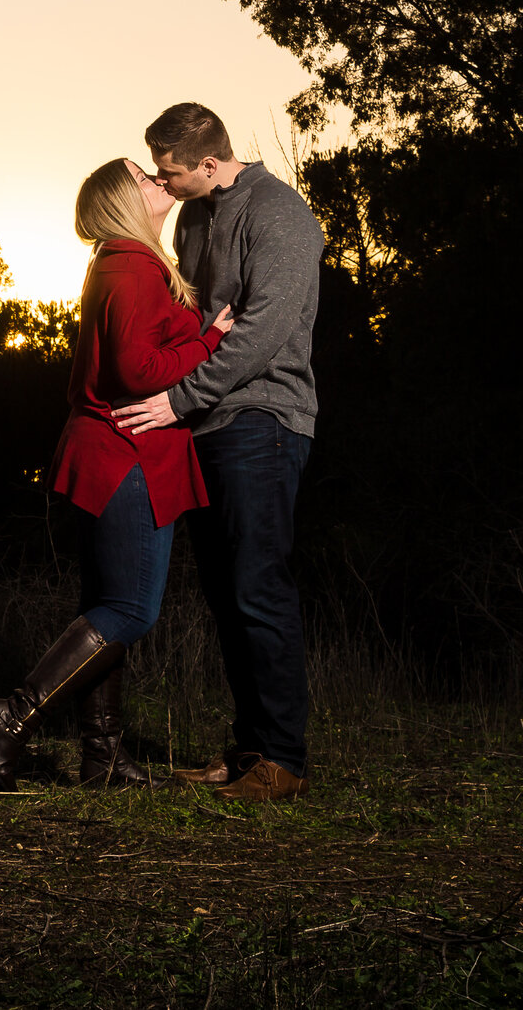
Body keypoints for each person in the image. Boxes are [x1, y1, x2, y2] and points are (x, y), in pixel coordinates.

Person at [0, 158, 232, 787]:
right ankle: (12, 716)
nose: (158, 181)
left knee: (105, 607)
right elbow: (137, 370)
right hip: (127, 455)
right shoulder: (133, 264)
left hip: (108, 452)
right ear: (125, 200)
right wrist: (209, 340)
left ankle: (103, 756)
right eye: (145, 177)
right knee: (131, 610)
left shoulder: (118, 262)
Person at [112, 102, 324, 802]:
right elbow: (194, 318)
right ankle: (248, 751)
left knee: (259, 583)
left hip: (263, 417)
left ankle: (283, 758)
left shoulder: (281, 214)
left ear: (207, 162)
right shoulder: (200, 215)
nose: (163, 186)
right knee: (227, 593)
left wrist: (176, 399)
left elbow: (261, 331)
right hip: (207, 423)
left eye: (170, 174)